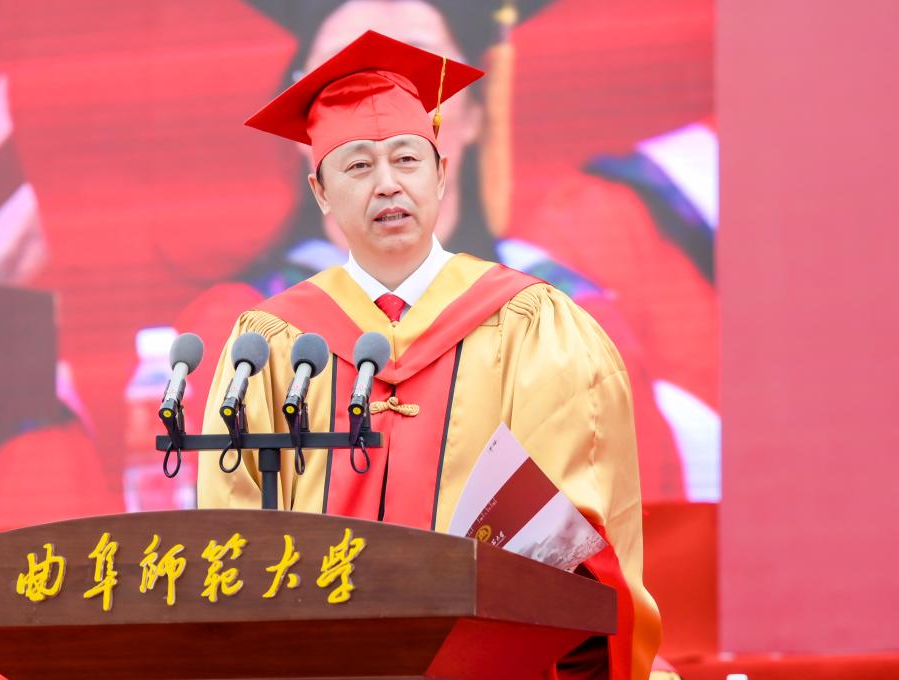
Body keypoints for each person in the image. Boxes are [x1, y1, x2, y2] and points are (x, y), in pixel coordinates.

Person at [197, 31, 660, 679]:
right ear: (320, 192)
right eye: (358, 166)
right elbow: (233, 531)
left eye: (407, 159)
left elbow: (572, 527)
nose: (387, 184)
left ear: (442, 172)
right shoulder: (273, 343)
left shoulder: (529, 323)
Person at [182, 0, 686, 500]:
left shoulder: (558, 321)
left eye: (414, 74)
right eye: (343, 78)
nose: (377, 104)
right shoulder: (247, 332)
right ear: (303, 136)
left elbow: (626, 511)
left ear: (475, 116)